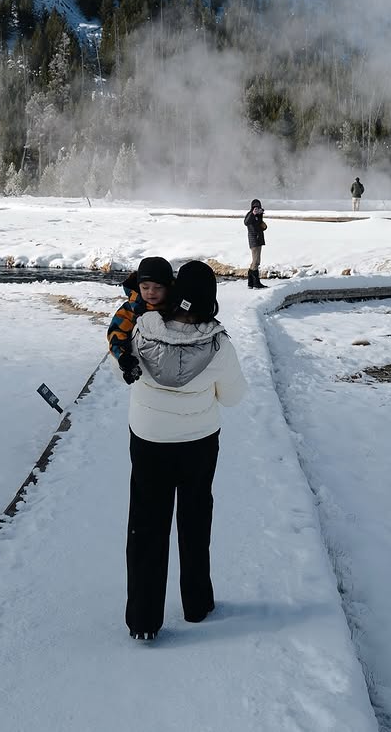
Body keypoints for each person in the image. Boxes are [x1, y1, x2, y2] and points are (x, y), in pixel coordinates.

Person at [123, 260, 247, 641]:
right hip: (198, 442)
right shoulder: (218, 343)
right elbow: (233, 398)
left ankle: (143, 620)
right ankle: (196, 604)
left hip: (148, 439)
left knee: (146, 526)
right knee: (195, 520)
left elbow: (119, 372)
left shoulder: (142, 327)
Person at [107, 256, 175, 382]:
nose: (151, 292)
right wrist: (123, 358)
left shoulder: (176, 307)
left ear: (168, 287)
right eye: (145, 287)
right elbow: (116, 333)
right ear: (138, 287)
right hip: (145, 376)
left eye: (158, 287)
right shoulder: (131, 309)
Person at [243, 198, 267, 288]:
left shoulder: (258, 215)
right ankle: (256, 283)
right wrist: (253, 213)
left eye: (258, 206)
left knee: (255, 261)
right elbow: (246, 222)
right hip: (254, 240)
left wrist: (260, 216)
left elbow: (260, 226)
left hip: (258, 239)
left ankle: (251, 283)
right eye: (255, 206)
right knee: (256, 262)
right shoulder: (250, 214)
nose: (256, 208)